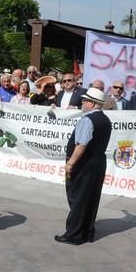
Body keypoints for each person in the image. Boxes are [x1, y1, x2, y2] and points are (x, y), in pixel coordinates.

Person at [55, 87, 111, 245]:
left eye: (85, 100)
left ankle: (74, 234)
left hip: (84, 165)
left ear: (92, 104)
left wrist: (70, 163)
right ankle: (87, 232)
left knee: (77, 198)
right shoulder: (105, 119)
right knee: (91, 198)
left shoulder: (87, 120)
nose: (82, 102)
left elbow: (81, 145)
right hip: (98, 164)